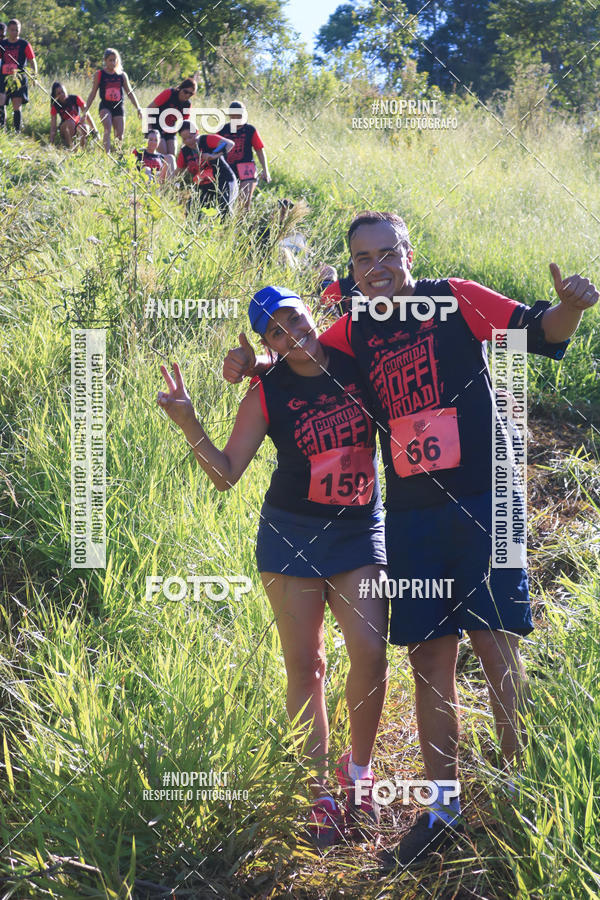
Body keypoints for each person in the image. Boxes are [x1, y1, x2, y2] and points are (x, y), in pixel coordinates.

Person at [223, 210, 599, 867]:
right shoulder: (352, 328)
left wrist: (570, 307)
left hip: (489, 498)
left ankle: (519, 798)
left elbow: (540, 331)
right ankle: (442, 809)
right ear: (353, 269)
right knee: (429, 661)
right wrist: (253, 361)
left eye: (387, 254)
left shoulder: (454, 298)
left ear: (409, 252)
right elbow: (303, 350)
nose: (377, 269)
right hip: (411, 515)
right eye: (363, 259)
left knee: (495, 648)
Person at [158, 287, 389, 849]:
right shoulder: (267, 390)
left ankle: (359, 773)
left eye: (296, 319)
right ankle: (317, 795)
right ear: (269, 344)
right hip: (292, 538)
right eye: (277, 332)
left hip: (359, 531)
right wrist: (189, 422)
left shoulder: (358, 360)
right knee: (306, 666)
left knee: (370, 651)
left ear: (312, 312)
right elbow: (227, 472)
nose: (292, 333)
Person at [83, 48, 142, 152]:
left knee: (119, 135)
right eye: (110, 60)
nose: (113, 62)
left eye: (115, 60)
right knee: (107, 127)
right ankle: (107, 154)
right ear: (105, 61)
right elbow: (93, 93)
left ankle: (117, 155)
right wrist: (86, 109)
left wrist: (138, 108)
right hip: (105, 106)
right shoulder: (99, 74)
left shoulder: (122, 75)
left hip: (119, 107)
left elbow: (130, 93)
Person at [176, 122, 238, 218]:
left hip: (224, 180)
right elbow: (178, 171)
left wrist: (213, 156)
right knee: (192, 211)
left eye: (191, 137)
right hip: (204, 186)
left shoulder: (207, 139)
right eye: (184, 139)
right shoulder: (184, 151)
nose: (188, 141)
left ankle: (229, 231)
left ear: (196, 132)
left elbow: (230, 144)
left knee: (224, 209)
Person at [218, 100, 270, 212]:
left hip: (246, 167)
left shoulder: (250, 130)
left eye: (239, 115)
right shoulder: (222, 130)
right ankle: (228, 227)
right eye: (234, 116)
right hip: (228, 167)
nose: (237, 119)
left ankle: (242, 227)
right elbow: (212, 148)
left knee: (244, 202)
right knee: (226, 202)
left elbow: (259, 150)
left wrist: (266, 170)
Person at [0, 19, 37, 133]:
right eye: (12, 30)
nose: (15, 32)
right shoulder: (2, 44)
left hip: (19, 78)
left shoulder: (24, 44)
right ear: (8, 30)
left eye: (17, 30)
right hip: (4, 77)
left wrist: (34, 76)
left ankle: (17, 131)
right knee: (1, 101)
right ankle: (2, 130)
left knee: (17, 104)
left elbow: (32, 60)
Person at [148, 78, 197, 156]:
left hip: (170, 129)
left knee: (172, 156)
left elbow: (184, 125)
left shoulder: (187, 104)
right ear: (180, 88)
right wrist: (149, 129)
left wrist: (186, 140)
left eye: (190, 94)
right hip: (156, 126)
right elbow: (149, 108)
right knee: (163, 154)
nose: (187, 95)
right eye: (185, 92)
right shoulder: (169, 93)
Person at [49, 82, 96, 149]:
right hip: (65, 128)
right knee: (70, 123)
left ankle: (82, 150)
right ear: (56, 96)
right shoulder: (55, 105)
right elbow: (53, 126)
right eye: (59, 93)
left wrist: (95, 132)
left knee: (85, 127)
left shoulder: (75, 98)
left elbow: (87, 115)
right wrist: (51, 143)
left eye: (63, 91)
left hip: (77, 125)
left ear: (65, 90)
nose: (62, 94)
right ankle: (71, 147)